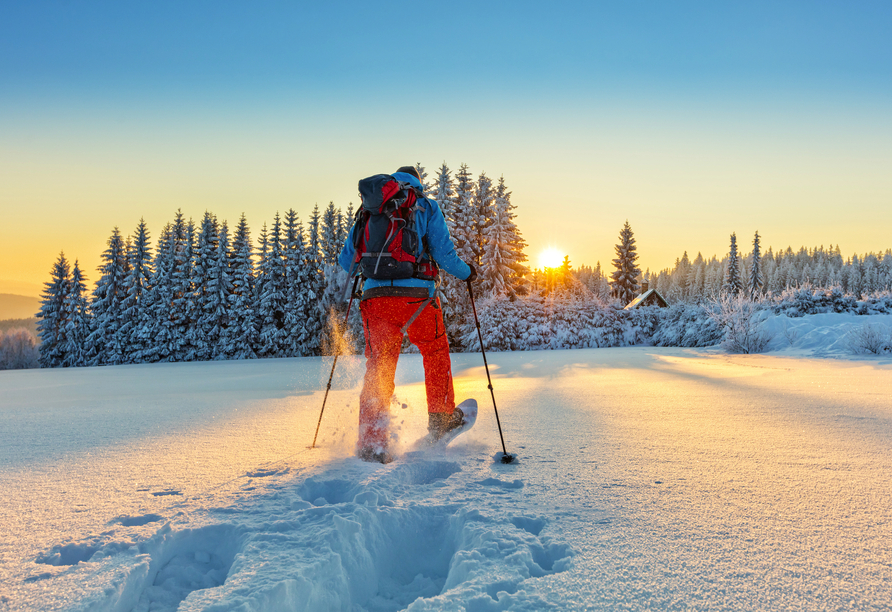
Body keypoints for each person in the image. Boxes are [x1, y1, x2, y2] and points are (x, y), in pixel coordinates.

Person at [339, 165, 476, 463]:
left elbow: (346, 260)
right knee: (435, 351)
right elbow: (444, 255)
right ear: (417, 182)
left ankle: (372, 442)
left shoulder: (370, 210)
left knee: (379, 366)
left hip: (375, 300)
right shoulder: (425, 205)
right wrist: (467, 274)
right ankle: (440, 420)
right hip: (418, 299)